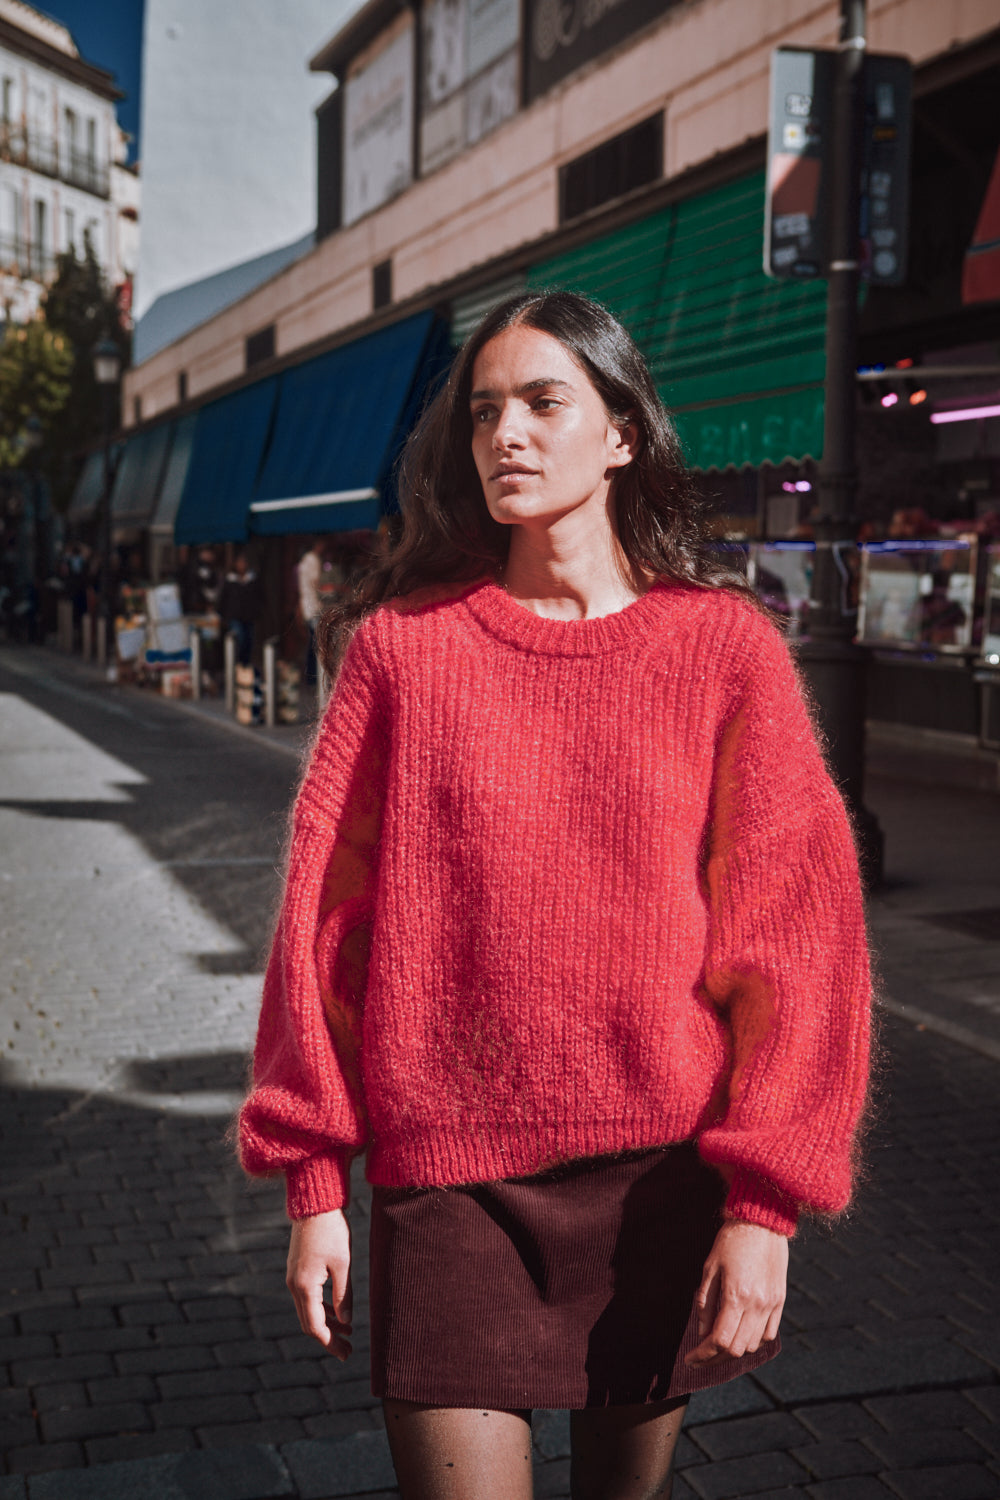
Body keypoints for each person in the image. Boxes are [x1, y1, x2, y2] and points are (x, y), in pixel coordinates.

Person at [239, 292, 871, 1500]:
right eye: (484, 412)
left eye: (542, 403)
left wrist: (764, 1206)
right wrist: (313, 1181)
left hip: (655, 1186)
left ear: (622, 434)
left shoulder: (722, 649)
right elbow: (323, 929)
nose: (505, 437)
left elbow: (793, 941)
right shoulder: (402, 653)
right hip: (449, 1186)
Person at [219, 550, 263, 667]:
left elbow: (260, 597)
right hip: (235, 616)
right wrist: (223, 616)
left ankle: (244, 666)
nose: (242, 565)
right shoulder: (230, 580)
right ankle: (236, 664)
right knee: (239, 639)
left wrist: (257, 612)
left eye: (244, 562)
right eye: (240, 562)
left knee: (249, 642)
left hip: (249, 616)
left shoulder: (253, 579)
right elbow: (223, 599)